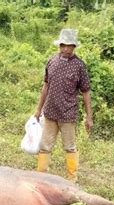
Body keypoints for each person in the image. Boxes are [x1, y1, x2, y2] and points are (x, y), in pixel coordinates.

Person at [34, 29, 93, 181]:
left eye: (69, 46)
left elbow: (86, 92)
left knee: (70, 147)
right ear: (59, 45)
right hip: (50, 112)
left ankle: (72, 179)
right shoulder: (52, 61)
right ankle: (41, 178)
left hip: (68, 114)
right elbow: (45, 86)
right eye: (63, 45)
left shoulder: (79, 66)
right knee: (45, 146)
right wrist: (39, 109)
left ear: (74, 47)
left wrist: (89, 117)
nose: (66, 49)